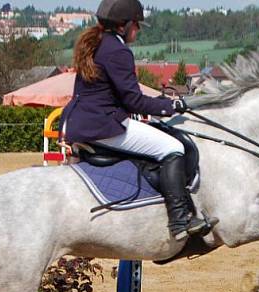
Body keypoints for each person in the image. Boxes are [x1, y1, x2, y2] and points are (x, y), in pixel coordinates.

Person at [63, 0, 212, 241]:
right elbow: (134, 101)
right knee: (173, 147)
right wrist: (171, 105)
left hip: (80, 122)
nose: (139, 30)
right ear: (124, 26)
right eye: (136, 25)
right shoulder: (118, 50)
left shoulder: (96, 43)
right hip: (103, 125)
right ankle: (179, 219)